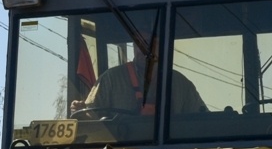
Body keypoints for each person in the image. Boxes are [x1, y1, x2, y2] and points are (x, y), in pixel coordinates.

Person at [75, 36, 206, 116]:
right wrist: (81, 112)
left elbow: (202, 122)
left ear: (162, 46)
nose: (142, 49)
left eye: (148, 42)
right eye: (138, 42)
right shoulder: (111, 79)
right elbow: (91, 120)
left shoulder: (181, 84)